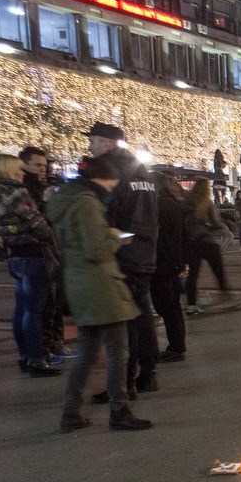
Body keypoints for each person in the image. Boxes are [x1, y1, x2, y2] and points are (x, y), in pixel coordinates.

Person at [49, 155, 151, 432]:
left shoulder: (67, 200)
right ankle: (119, 410)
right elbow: (95, 249)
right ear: (104, 179)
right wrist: (116, 236)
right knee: (118, 352)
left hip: (81, 284)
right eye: (113, 183)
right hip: (100, 286)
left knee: (87, 354)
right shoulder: (87, 203)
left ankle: (71, 412)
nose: (113, 188)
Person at [85, 122, 158, 397]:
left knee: (122, 320)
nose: (90, 147)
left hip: (122, 252)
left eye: (92, 141)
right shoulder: (144, 171)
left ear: (106, 142)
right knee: (142, 314)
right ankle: (148, 374)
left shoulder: (108, 169)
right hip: (146, 249)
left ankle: (123, 382)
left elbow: (106, 213)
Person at [0, 175, 61, 376]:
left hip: (15, 256)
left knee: (21, 310)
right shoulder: (18, 194)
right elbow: (42, 229)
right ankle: (36, 359)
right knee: (34, 312)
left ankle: (25, 355)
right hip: (33, 257)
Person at [149, 174, 191, 364]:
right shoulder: (174, 205)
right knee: (172, 305)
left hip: (162, 262)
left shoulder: (161, 206)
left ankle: (176, 346)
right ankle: (177, 345)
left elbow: (162, 237)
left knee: (167, 306)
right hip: (172, 261)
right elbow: (182, 235)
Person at [184, 179, 229, 316]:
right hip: (208, 241)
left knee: (192, 276)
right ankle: (225, 294)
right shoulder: (207, 203)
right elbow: (215, 222)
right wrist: (219, 227)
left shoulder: (186, 204)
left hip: (193, 243)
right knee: (218, 271)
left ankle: (191, 305)